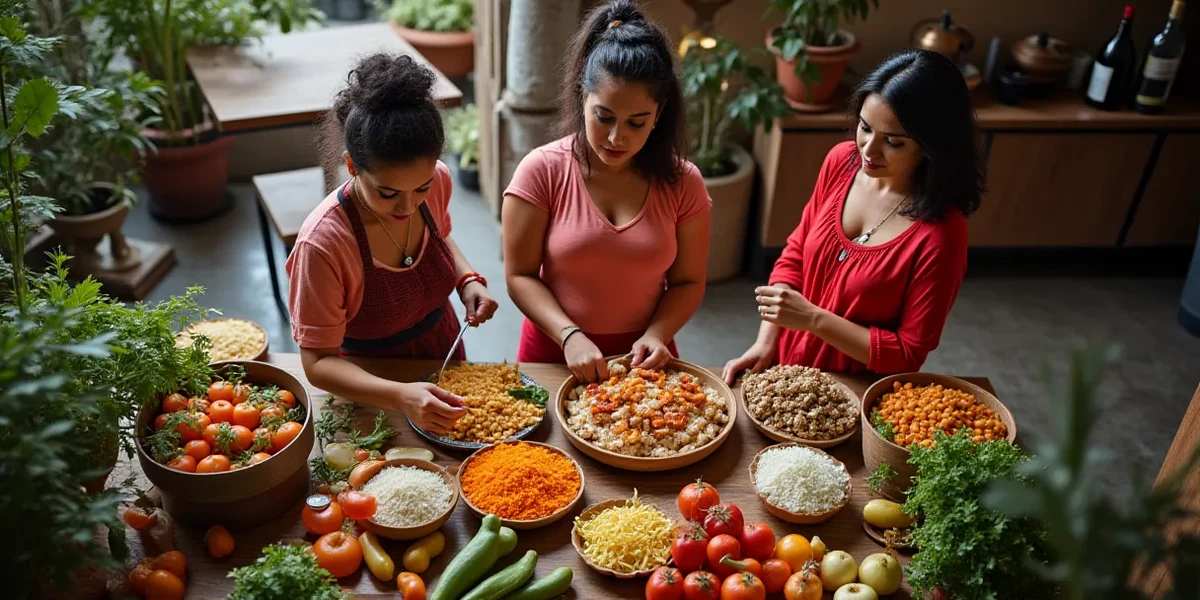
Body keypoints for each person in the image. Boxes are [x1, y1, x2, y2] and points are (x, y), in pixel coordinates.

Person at [724, 49, 984, 383]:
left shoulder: (941, 235)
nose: (868, 149)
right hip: (785, 373)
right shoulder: (841, 162)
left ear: (931, 145)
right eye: (864, 127)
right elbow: (796, 255)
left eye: (893, 142)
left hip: (857, 393)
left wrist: (814, 319)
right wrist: (765, 343)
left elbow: (907, 353)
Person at [286, 53, 499, 434]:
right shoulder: (323, 245)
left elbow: (442, 236)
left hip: (443, 351)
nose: (407, 206)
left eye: (421, 187)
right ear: (352, 166)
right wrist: (400, 396)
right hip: (370, 388)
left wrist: (466, 279)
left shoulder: (439, 183)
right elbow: (317, 361)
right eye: (387, 193)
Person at [502, 0, 712, 383]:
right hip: (554, 352)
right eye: (604, 117)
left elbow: (688, 281)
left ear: (659, 114)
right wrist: (569, 336)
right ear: (583, 97)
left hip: (646, 359)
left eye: (637, 122)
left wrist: (657, 334)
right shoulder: (541, 170)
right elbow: (519, 275)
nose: (618, 137)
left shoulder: (684, 181)